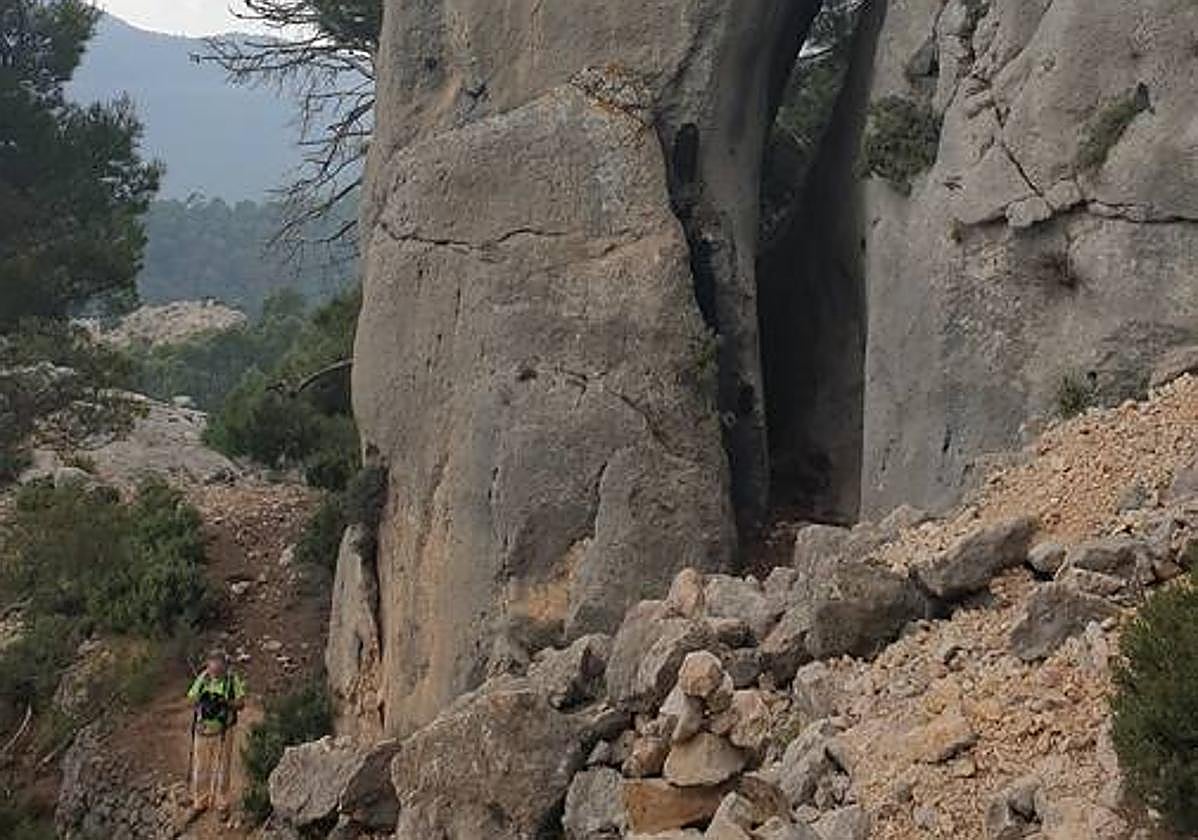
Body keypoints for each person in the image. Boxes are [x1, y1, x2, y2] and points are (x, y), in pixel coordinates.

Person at [186, 649, 246, 819]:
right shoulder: (203, 678)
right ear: (208, 666)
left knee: (223, 768)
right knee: (200, 768)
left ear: (225, 667)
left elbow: (241, 704)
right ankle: (200, 801)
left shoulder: (231, 680)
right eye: (213, 671)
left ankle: (222, 803)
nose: (216, 675)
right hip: (203, 729)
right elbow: (190, 699)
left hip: (224, 730)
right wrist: (202, 700)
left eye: (219, 671)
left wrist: (225, 703)